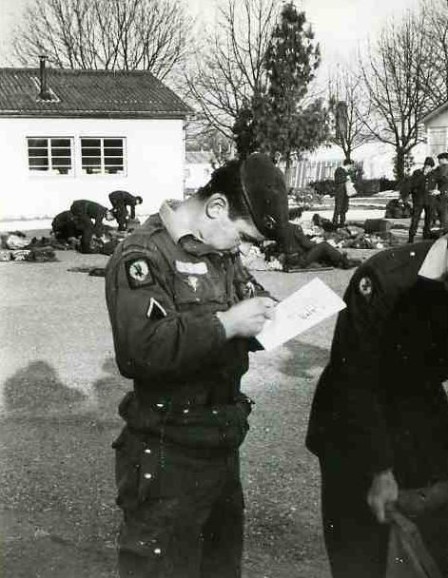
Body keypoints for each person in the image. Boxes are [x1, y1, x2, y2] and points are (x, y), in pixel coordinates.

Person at [105, 153, 289, 578]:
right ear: (217, 207)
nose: (241, 247)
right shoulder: (144, 254)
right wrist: (226, 324)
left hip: (220, 440)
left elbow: (247, 299)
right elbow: (139, 350)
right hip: (169, 450)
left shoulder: (218, 250)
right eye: (243, 234)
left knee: (219, 567)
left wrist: (267, 316)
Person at [306, 238, 448, 578]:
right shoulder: (386, 275)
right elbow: (354, 378)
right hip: (353, 424)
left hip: (421, 411)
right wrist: (380, 469)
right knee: (361, 553)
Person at [282, 221, 360, 271]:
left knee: (321, 247)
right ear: (297, 217)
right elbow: (307, 244)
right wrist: (316, 243)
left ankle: (340, 260)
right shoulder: (296, 228)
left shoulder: (286, 227)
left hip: (291, 258)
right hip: (299, 260)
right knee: (324, 245)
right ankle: (345, 261)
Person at [408, 156, 435, 243]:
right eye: (426, 166)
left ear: (432, 167)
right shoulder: (417, 173)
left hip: (430, 200)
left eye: (429, 166)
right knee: (415, 218)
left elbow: (444, 182)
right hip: (418, 199)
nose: (428, 168)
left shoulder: (435, 174)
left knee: (428, 219)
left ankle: (426, 236)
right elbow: (413, 184)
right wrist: (423, 174)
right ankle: (411, 237)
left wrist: (440, 191)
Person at [429, 152, 448, 233]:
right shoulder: (439, 168)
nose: (438, 161)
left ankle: (445, 230)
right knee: (441, 213)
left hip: (444, 194)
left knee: (443, 213)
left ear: (445, 159)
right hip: (441, 195)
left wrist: (440, 191)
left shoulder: (444, 169)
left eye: (440, 159)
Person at [332, 159, 355, 228]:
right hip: (340, 192)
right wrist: (346, 178)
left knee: (345, 207)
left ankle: (342, 222)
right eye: (351, 165)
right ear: (348, 164)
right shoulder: (339, 170)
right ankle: (335, 222)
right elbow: (337, 180)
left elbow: (351, 179)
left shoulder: (347, 171)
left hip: (346, 192)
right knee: (338, 207)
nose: (351, 167)